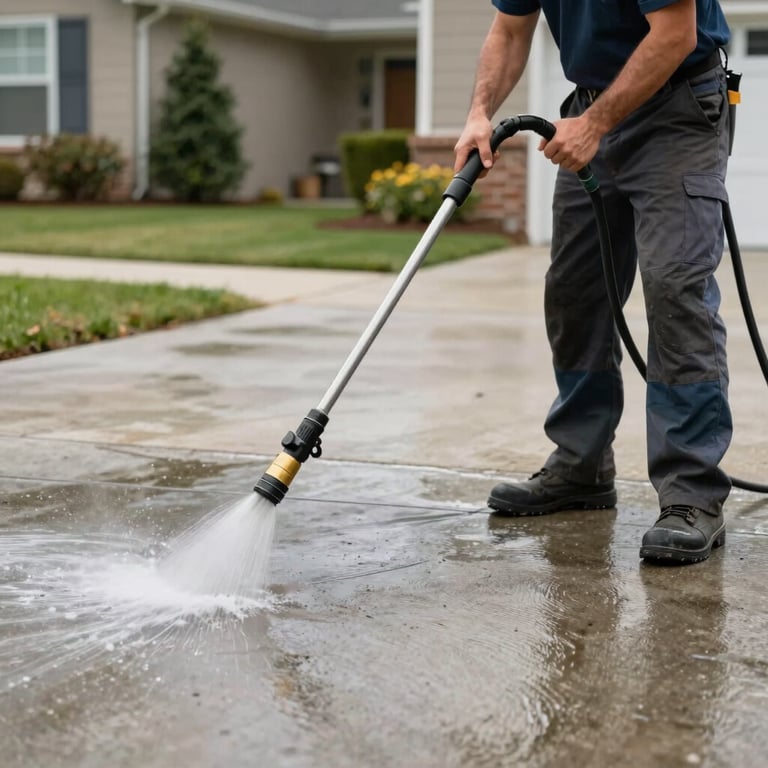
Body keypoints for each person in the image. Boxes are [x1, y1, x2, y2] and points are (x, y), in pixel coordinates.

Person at [454, 0, 732, 565]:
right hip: (591, 105)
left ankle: (691, 493)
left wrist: (596, 125)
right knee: (575, 293)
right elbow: (509, 31)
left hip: (678, 107)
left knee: (675, 288)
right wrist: (479, 112)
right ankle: (581, 464)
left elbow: (675, 35)